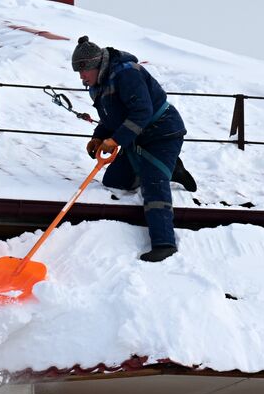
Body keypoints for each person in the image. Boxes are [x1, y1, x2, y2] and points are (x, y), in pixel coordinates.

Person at [72, 35, 197, 262]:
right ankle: (171, 167)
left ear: (95, 65)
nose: (81, 77)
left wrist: (116, 140)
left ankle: (164, 243)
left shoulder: (127, 73)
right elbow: (111, 118)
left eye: (83, 71)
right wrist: (98, 137)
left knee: (153, 182)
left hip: (162, 133)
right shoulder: (98, 85)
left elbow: (142, 112)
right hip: (136, 138)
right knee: (115, 181)